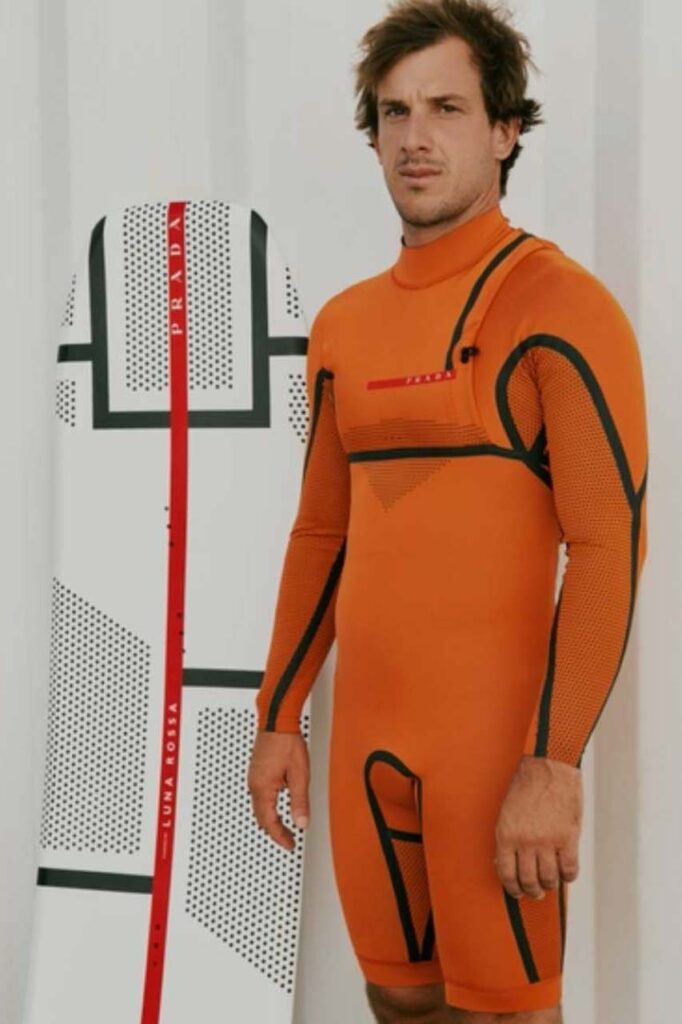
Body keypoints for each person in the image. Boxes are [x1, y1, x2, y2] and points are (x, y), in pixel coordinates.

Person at [247, 1, 648, 1020]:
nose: (415, 137)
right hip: (366, 750)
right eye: (394, 111)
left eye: (447, 108)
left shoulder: (558, 305)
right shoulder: (344, 327)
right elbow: (322, 532)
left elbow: (607, 543)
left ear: (505, 129)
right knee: (397, 1003)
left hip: (497, 754)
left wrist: (554, 764)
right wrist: (278, 716)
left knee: (505, 1012)